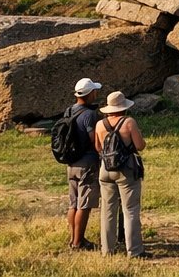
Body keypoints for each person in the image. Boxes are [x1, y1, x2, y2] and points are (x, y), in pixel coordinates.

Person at [95, 91, 147, 257]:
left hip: (105, 169)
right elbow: (140, 146)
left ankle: (107, 250)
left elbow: (98, 148)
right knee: (130, 210)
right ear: (123, 107)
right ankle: (134, 251)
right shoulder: (129, 122)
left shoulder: (99, 124)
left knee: (107, 211)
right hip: (126, 170)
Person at [63, 78, 103, 251]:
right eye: (94, 91)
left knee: (73, 203)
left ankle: (73, 239)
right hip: (87, 163)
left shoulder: (69, 111)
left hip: (71, 162)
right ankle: (78, 243)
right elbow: (94, 140)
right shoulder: (89, 115)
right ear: (89, 94)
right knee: (84, 205)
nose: (96, 93)